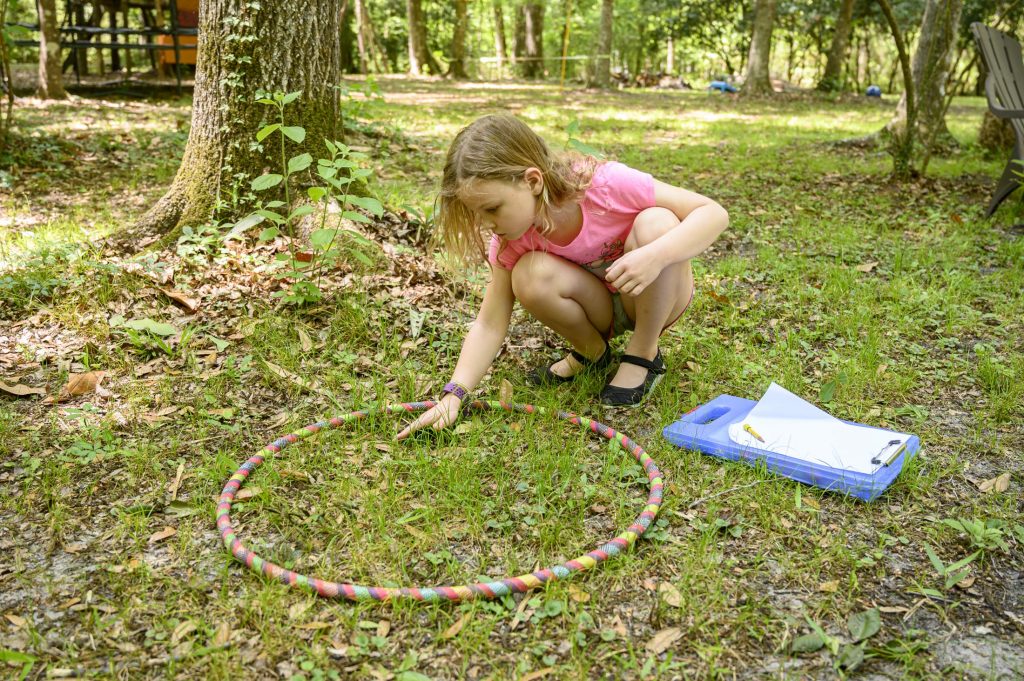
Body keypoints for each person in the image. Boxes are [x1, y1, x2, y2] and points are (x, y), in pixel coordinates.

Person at [396, 113, 728, 440]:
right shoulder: (511, 239)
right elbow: (489, 323)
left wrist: (656, 256)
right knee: (528, 274)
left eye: (493, 209)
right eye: (477, 213)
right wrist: (454, 394)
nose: (486, 223)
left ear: (532, 181)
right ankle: (592, 352)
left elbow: (713, 213)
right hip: (600, 308)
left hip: (657, 294)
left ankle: (643, 352)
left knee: (657, 223)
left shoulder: (605, 185)